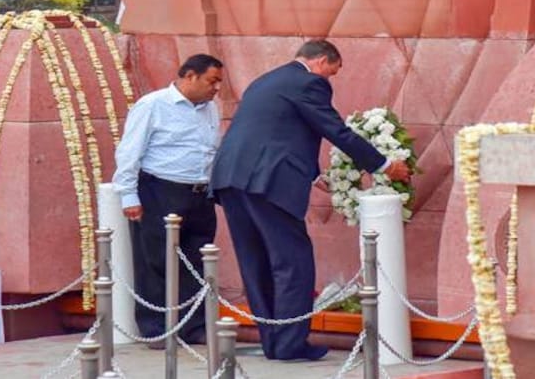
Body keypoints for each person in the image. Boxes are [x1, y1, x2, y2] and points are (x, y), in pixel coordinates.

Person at [211, 39, 411, 361]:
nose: (330, 79)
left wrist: (313, 175)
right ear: (320, 61)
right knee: (293, 262)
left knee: (256, 263)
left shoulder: (266, 81)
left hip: (231, 179)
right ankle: (290, 344)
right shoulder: (309, 82)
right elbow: (334, 130)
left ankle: (273, 341)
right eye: (332, 72)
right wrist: (384, 165)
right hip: (268, 182)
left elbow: (279, 131)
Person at [113, 53, 224, 349]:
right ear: (190, 76)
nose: (216, 88)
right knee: (155, 260)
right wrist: (128, 195)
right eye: (212, 81)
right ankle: (155, 328)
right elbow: (129, 151)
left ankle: (194, 326)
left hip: (199, 192)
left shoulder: (211, 108)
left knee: (197, 260)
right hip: (160, 189)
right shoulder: (152, 105)